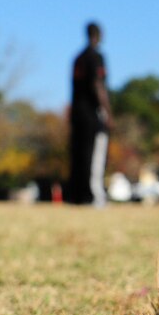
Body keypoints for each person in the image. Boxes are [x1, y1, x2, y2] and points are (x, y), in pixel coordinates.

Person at [68, 21, 114, 206]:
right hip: (91, 115)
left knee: (79, 154)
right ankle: (93, 196)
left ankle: (77, 196)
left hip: (77, 114)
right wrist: (108, 112)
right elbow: (98, 85)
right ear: (99, 34)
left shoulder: (77, 58)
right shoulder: (95, 57)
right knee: (94, 156)